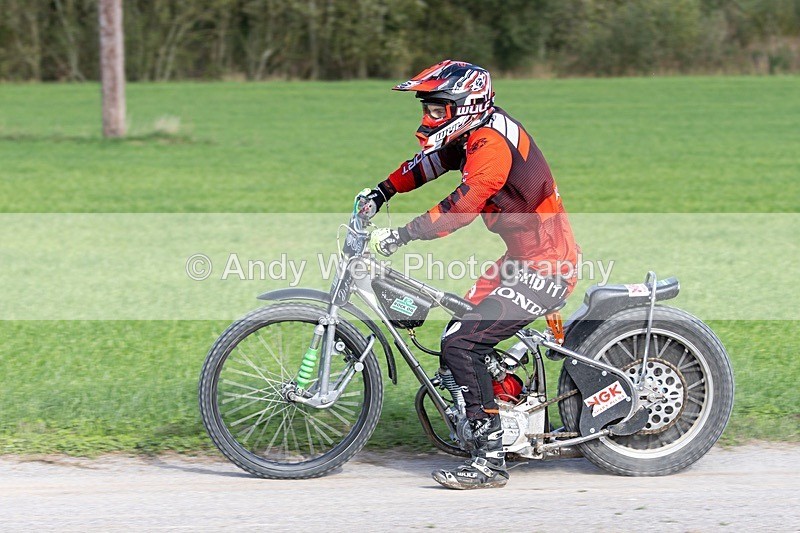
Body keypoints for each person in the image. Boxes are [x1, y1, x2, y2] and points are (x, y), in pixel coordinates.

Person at [358, 60, 580, 490]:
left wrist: (401, 235)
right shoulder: (473, 132)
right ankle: (503, 400)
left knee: (461, 342)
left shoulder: (491, 145)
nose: (427, 119)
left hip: (546, 265)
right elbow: (427, 164)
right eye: (427, 109)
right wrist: (381, 190)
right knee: (458, 333)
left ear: (467, 105)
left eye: (437, 109)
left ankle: (490, 459)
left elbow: (460, 207)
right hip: (521, 258)